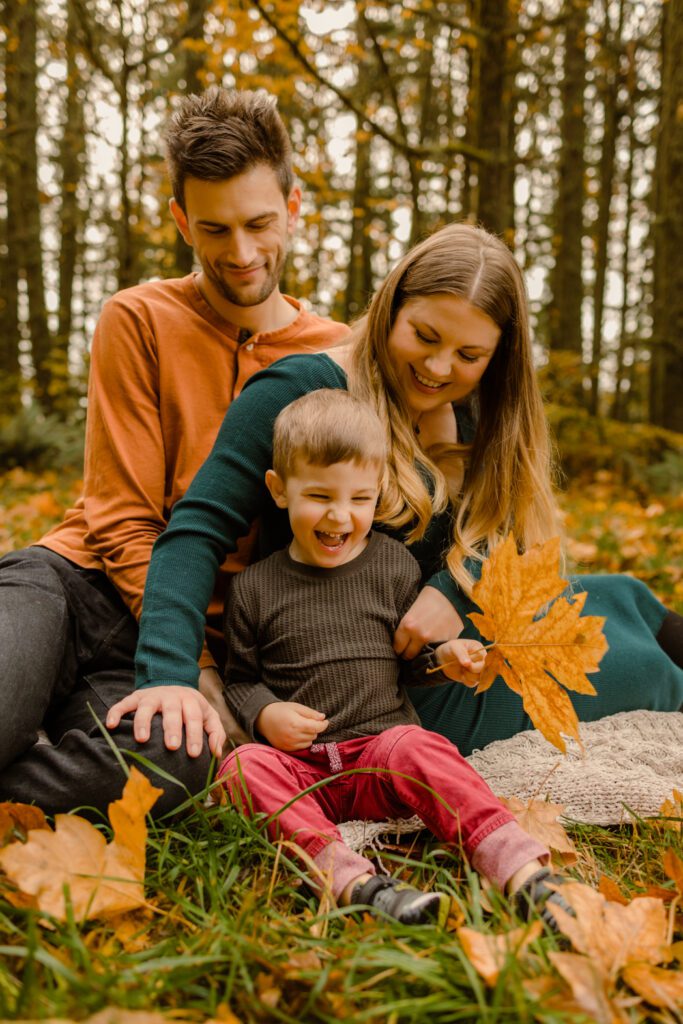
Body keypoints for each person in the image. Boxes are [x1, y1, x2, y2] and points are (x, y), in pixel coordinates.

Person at [108, 222, 683, 765]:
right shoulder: (302, 391)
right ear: (392, 307)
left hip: (457, 639)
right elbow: (195, 531)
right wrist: (166, 674)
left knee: (621, 594)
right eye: (424, 336)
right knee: (643, 671)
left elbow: (509, 536)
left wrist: (452, 592)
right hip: (374, 686)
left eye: (468, 355)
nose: (438, 367)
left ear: (497, 356)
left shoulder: (480, 407)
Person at [0, 86, 350, 817]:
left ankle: (25, 781)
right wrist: (187, 665)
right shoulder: (136, 317)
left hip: (157, 655)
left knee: (175, 765)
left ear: (293, 209)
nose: (242, 253)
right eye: (215, 230)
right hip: (74, 586)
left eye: (259, 223)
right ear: (182, 220)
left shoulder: (336, 358)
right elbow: (121, 516)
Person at [218, 389, 566, 928]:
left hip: (380, 757)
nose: (340, 516)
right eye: (319, 495)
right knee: (242, 766)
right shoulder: (255, 588)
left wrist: (443, 658)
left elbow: (410, 662)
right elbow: (239, 680)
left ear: (377, 492)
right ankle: (352, 881)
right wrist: (264, 713)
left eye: (358, 499)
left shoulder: (393, 566)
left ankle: (516, 867)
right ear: (279, 491)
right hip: (302, 769)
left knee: (420, 745)